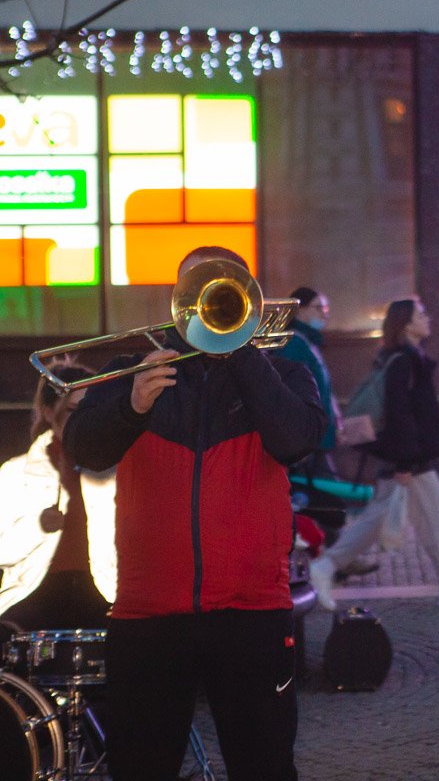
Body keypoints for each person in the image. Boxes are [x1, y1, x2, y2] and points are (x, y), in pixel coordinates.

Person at [63, 245, 325, 781]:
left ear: (247, 299)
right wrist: (130, 404)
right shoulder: (130, 372)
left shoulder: (280, 373)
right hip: (148, 614)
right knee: (141, 767)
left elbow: (296, 440)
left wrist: (243, 353)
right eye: (199, 289)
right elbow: (85, 450)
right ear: (178, 301)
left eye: (227, 290)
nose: (212, 302)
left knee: (265, 767)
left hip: (253, 612)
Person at [307, 298, 439, 609]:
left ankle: (326, 567)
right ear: (407, 325)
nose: (428, 318)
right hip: (409, 461)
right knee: (437, 521)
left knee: (379, 521)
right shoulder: (404, 361)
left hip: (407, 458)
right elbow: (400, 414)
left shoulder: (405, 358)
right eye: (422, 314)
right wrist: (404, 461)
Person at [0, 361, 114, 631]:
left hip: (105, 594)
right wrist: (38, 526)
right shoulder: (16, 473)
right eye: (73, 410)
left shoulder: (115, 471)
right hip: (32, 596)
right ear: (48, 411)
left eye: (88, 410)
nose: (81, 419)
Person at [278, 286, 341, 477]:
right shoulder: (293, 343)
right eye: (319, 308)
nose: (325, 314)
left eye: (326, 309)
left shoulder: (309, 342)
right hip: (308, 439)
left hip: (317, 436)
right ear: (299, 310)